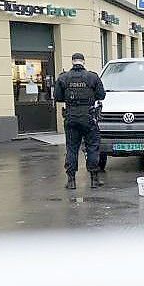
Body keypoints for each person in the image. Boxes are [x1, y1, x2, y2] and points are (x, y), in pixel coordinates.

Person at [54, 53, 106, 190]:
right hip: (89, 117)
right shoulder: (92, 76)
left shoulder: (63, 77)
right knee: (92, 147)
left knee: (71, 148)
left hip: (71, 117)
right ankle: (94, 180)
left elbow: (58, 97)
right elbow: (102, 95)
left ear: (72, 62)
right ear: (83, 62)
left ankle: (71, 181)